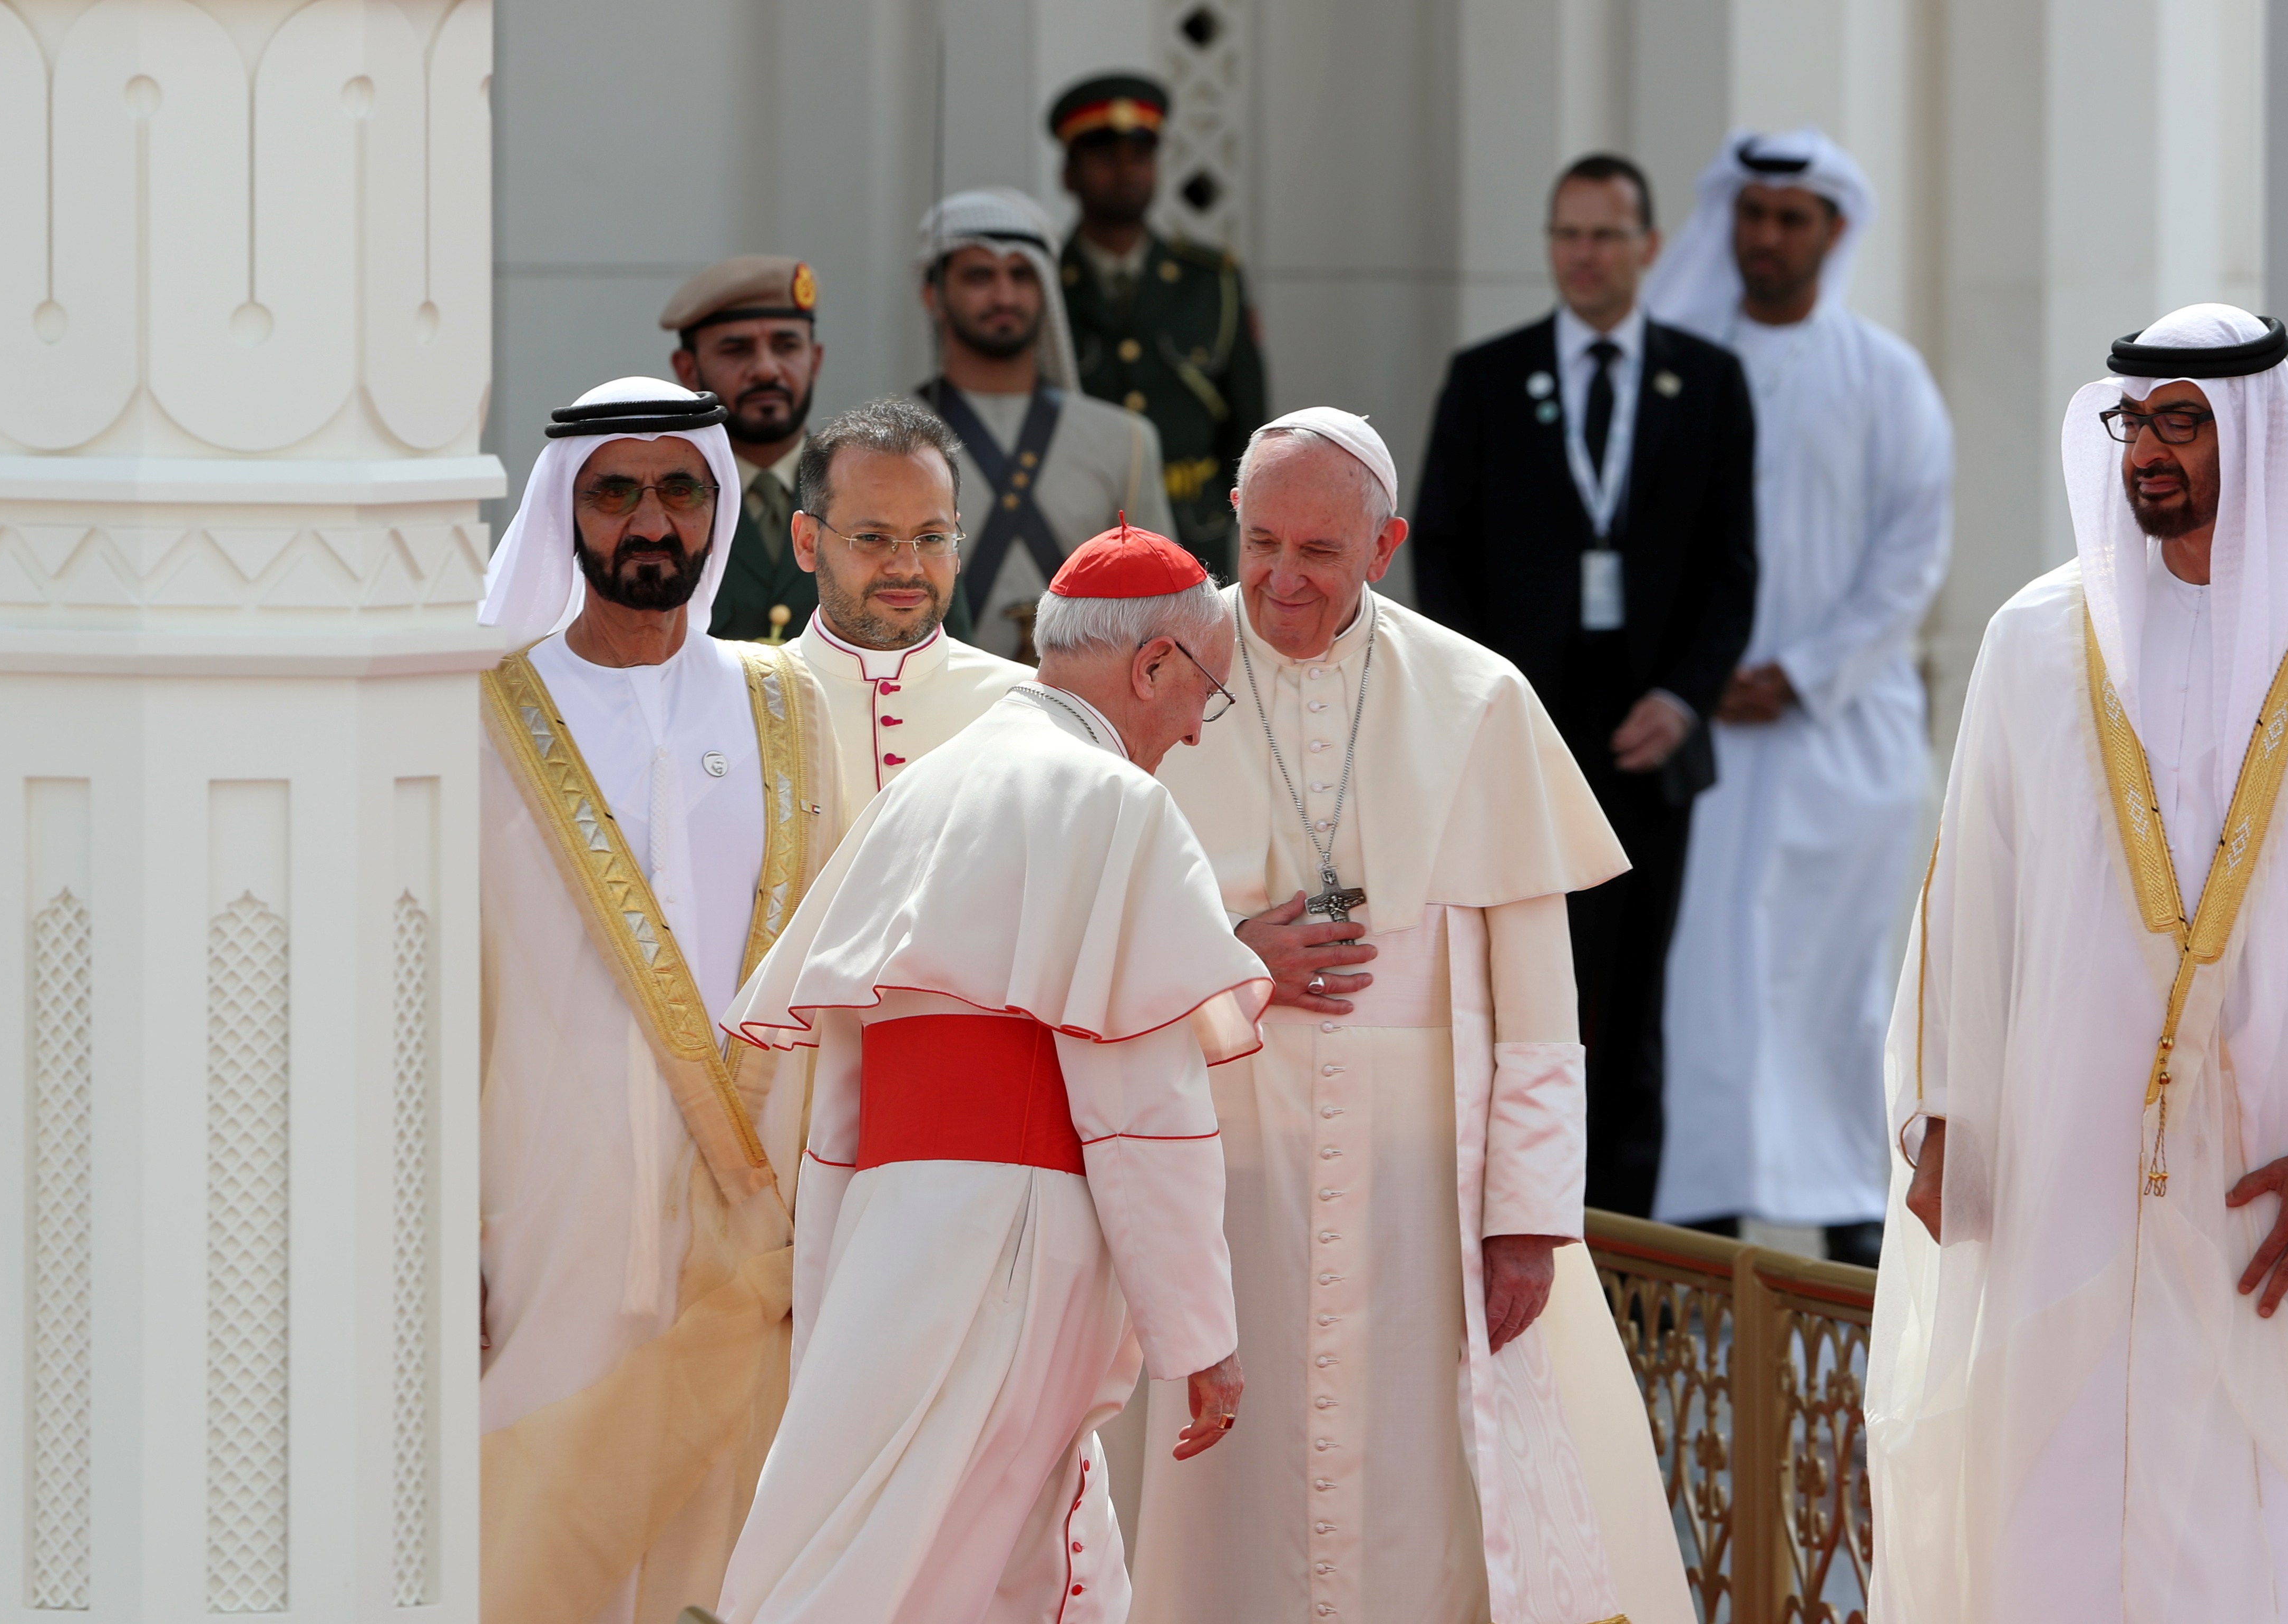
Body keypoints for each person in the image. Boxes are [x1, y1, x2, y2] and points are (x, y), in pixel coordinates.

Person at [1869, 306, 2288, 1623]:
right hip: (2065, 1164)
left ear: (2255, 437)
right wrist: (1943, 1114)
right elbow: (1965, 889)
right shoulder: (2034, 639)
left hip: (2274, 1182)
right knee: (2049, 1489)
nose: (2146, 454)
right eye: (2131, 422)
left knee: (2261, 1509)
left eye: (2180, 422)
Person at [1135, 408, 1695, 1624]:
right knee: (1216, 1514)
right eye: (1261, 542)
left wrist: (1528, 1218)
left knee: (1417, 1505)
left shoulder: (1475, 696)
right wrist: (1226, 958)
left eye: (1319, 553)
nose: (1282, 578)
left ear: (1381, 547)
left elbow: (1542, 1005)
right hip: (1215, 1175)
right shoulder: (1157, 678)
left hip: (1419, 1193)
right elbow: (1090, 927)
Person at [711, 523, 1264, 1624]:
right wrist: (1199, 1333)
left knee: (897, 1539)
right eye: (1207, 689)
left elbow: (846, 1105)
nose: (1201, 727)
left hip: (892, 1230)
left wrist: (833, 1287)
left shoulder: (923, 789)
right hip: (1017, 1239)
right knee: (958, 1566)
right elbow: (1140, 1107)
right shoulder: (1112, 803)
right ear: (1152, 664)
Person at [474, 378, 842, 1624]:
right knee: (538, 1528)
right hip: (544, 1205)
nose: (650, 521)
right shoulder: (485, 715)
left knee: (735, 1530)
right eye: (614, 492)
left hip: (759, 1208)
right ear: (564, 513)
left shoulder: (787, 707)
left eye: (679, 489)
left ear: (719, 504)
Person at [1413, 152, 1757, 1220]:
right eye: (1566, 234)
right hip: (1525, 729)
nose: (1583, 255)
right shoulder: (1485, 375)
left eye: (1605, 236)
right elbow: (1444, 553)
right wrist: (1488, 706)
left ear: (1647, 248)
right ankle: (1513, 1207)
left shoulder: (1702, 380)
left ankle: (1621, 1240)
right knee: (1521, 983)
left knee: (1633, 997)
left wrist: (1687, 696)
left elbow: (1730, 564)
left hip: (1645, 736)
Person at [1643, 128, 1952, 1267]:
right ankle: (1698, 1228)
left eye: (1790, 218)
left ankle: (1852, 1231)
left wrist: (1804, 670)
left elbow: (1911, 552)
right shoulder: (1675, 364)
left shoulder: (1883, 375)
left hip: (1834, 738)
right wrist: (1695, 673)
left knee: (1829, 989)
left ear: (1830, 231)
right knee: (1701, 985)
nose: (1764, 238)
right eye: (1750, 215)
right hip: (1698, 739)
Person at [915, 188, 1174, 660]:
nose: (1004, 294)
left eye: (1021, 274)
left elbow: (1161, 611)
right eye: (979, 276)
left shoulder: (1127, 441)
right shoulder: (890, 442)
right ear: (934, 294)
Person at [1048, 72, 1269, 575]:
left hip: (1198, 529)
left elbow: (1248, 424)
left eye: (1140, 157)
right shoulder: (1043, 287)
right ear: (1069, 174)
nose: (1125, 172)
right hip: (1081, 530)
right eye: (1105, 158)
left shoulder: (1212, 280)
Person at [785, 396, 1031, 814]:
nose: (906, 567)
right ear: (807, 542)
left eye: (931, 538)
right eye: (871, 538)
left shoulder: (1024, 706)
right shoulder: (754, 704)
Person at [662, 256, 826, 643]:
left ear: (815, 360)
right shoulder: (657, 503)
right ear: (687, 370)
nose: (767, 369)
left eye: (787, 346)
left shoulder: (873, 493)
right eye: (736, 350)